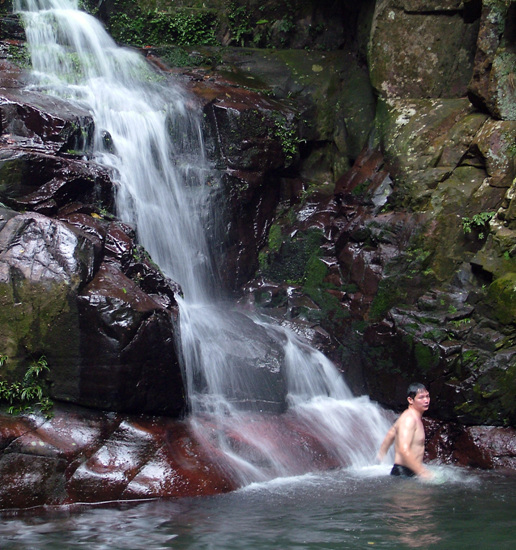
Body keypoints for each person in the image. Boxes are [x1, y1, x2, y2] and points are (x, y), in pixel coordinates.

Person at [377, 382, 433, 480]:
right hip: (403, 473)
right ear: (410, 400)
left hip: (408, 471)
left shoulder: (411, 416)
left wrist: (381, 454)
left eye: (427, 396)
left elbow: (391, 433)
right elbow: (403, 449)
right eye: (421, 397)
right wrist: (423, 472)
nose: (426, 400)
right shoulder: (409, 419)